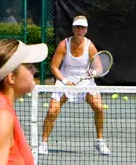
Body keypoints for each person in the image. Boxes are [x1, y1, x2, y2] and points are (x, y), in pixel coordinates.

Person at [39, 15, 110, 155]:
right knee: (52, 111)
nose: (80, 30)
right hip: (65, 80)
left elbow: (99, 68)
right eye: (77, 26)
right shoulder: (63, 45)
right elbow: (54, 67)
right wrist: (65, 81)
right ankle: (43, 143)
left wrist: (93, 72)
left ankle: (100, 142)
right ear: (72, 28)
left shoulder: (90, 46)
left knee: (99, 108)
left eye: (83, 27)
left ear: (86, 30)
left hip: (86, 82)